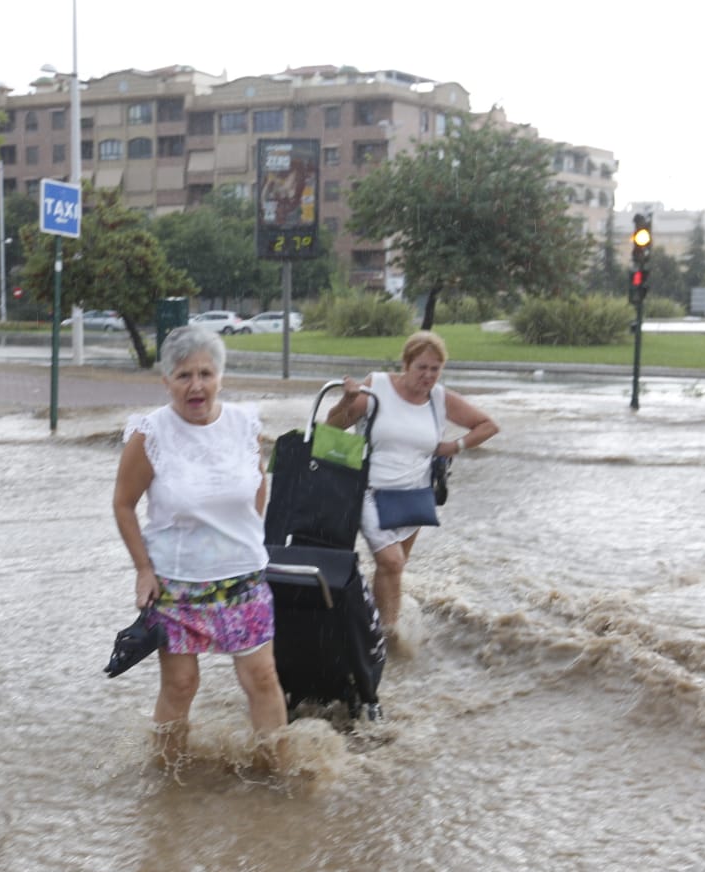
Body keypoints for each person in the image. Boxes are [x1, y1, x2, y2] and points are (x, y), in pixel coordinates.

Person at [113, 325, 288, 770]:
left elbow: (257, 485)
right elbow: (124, 503)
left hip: (243, 577)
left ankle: (276, 772)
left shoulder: (244, 424)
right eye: (184, 375)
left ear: (220, 377)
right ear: (166, 381)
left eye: (206, 374)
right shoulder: (150, 433)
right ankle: (168, 778)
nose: (196, 386)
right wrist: (143, 569)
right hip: (178, 584)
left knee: (263, 677)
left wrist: (246, 536)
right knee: (181, 685)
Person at [325, 329, 499, 639]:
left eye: (435, 369)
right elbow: (333, 427)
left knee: (395, 567)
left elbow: (488, 426)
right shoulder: (377, 386)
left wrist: (453, 446)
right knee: (391, 562)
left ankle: (378, 628)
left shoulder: (439, 398)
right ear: (406, 364)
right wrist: (348, 399)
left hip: (413, 496)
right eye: (422, 367)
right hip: (368, 491)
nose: (428, 376)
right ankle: (386, 636)